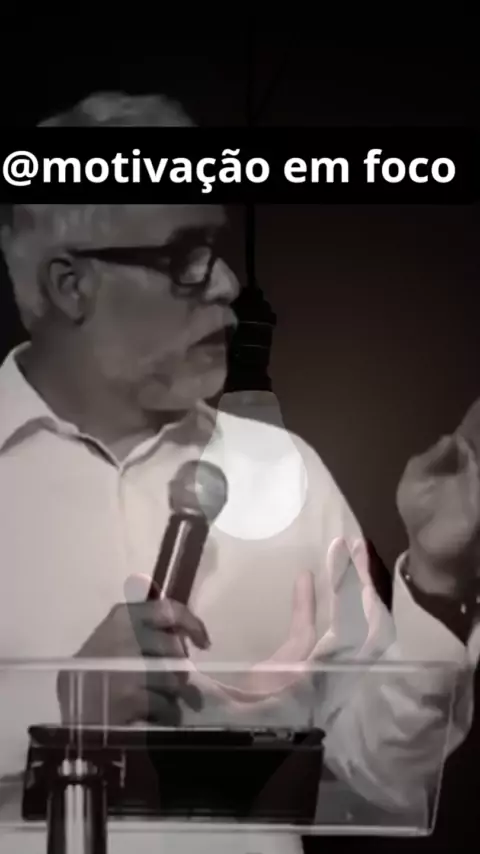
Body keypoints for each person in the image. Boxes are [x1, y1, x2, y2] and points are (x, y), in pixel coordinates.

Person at [0, 92, 478, 853]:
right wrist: (55, 709)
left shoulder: (287, 472)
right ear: (71, 286)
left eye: (217, 248)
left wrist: (440, 582)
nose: (225, 283)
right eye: (185, 257)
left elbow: (383, 778)